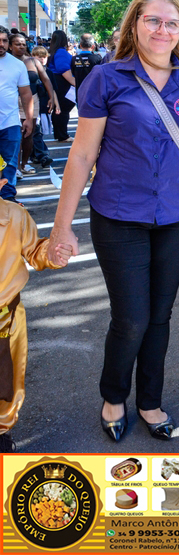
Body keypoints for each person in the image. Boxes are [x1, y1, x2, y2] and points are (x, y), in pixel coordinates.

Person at [48, 0, 179, 442]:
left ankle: (150, 400)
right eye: (153, 20)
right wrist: (61, 228)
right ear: (134, 24)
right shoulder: (106, 78)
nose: (162, 29)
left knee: (159, 314)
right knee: (131, 316)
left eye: (171, 23)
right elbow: (82, 154)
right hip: (118, 216)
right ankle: (114, 395)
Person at [0, 161, 72, 452]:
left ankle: (2, 430)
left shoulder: (14, 216)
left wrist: (54, 251)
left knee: (6, 379)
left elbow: (35, 250)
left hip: (6, 318)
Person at [9, 35, 59, 177]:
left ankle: (24, 164)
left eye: (23, 44)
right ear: (11, 46)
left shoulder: (33, 61)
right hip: (12, 100)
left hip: (32, 100)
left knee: (29, 134)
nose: (21, 46)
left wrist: (51, 97)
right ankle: (16, 167)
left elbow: (46, 79)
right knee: (16, 134)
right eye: (17, 44)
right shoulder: (7, 62)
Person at [0, 27, 35, 203]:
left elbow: (26, 94)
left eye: (4, 40)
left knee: (10, 164)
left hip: (10, 123)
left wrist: (28, 119)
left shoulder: (17, 65)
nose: (1, 44)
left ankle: (8, 200)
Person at [46, 30, 75, 142]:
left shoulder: (54, 51)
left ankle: (59, 134)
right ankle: (63, 135)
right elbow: (64, 70)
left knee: (59, 110)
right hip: (62, 82)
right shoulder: (61, 52)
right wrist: (76, 83)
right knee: (63, 109)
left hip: (56, 81)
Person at [70, 33, 103, 110]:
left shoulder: (74, 59)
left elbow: (73, 74)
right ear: (93, 46)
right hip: (95, 95)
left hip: (80, 95)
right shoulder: (97, 58)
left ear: (80, 45)